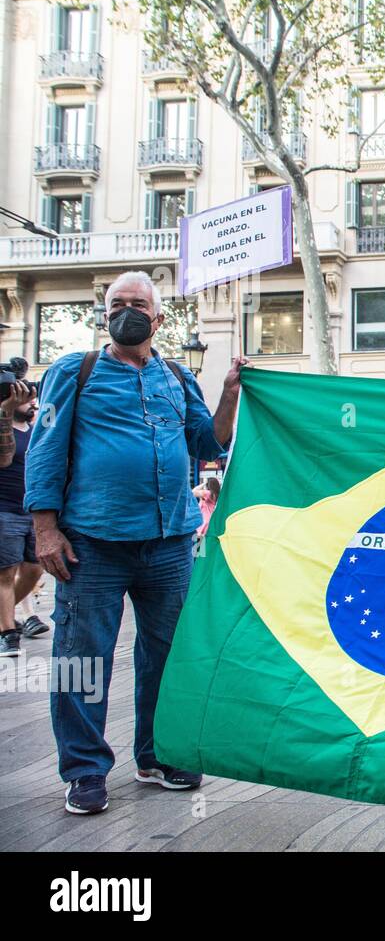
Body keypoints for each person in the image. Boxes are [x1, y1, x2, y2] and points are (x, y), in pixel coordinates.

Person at [25, 270, 247, 816]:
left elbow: (208, 443)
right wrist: (45, 528)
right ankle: (84, 771)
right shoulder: (72, 372)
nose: (127, 310)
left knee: (168, 657)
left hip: (170, 543)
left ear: (159, 317)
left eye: (138, 303)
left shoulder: (176, 376)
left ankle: (158, 756)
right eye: (117, 303)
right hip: (92, 543)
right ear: (104, 315)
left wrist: (229, 394)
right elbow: (45, 449)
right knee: (82, 658)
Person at [0, 374, 45, 658]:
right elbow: (4, 458)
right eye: (25, 398)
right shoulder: (4, 425)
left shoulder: (32, 429)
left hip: (30, 510)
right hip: (4, 511)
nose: (31, 402)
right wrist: (4, 413)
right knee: (5, 575)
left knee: (34, 569)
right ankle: (8, 633)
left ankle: (4, 616)